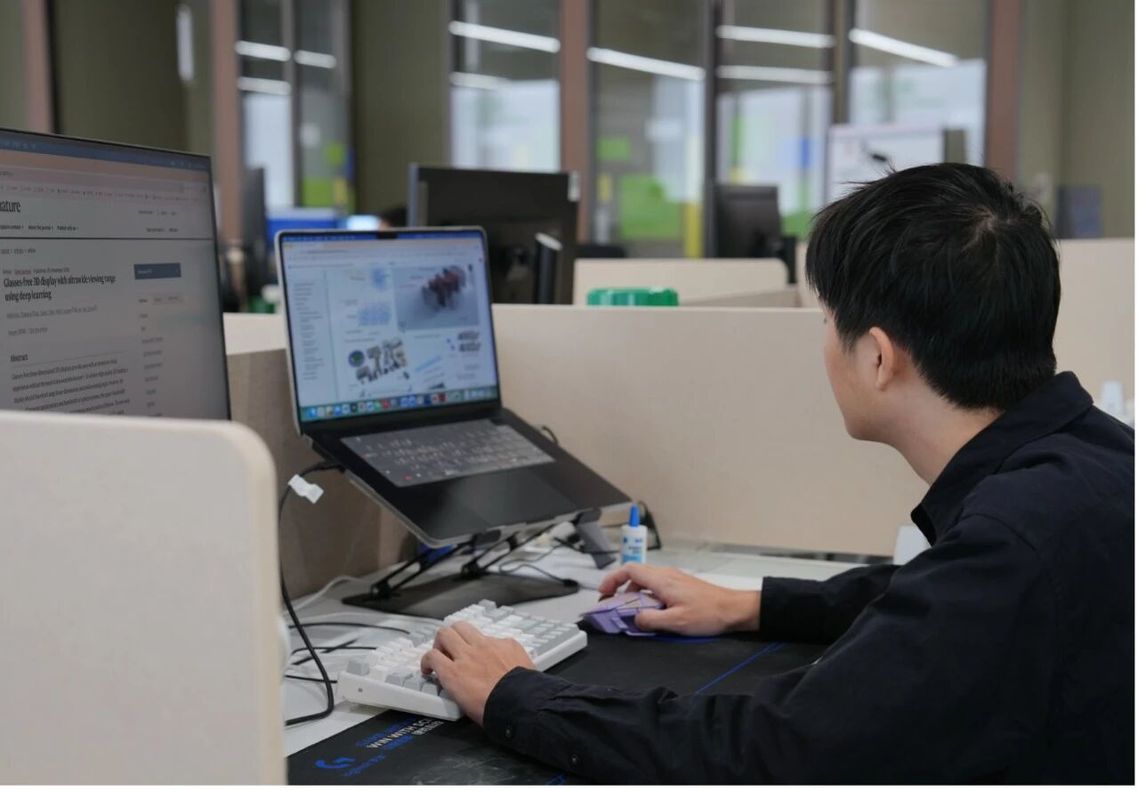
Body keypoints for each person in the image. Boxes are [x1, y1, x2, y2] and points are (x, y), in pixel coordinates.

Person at [420, 164, 1135, 783]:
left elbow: (773, 750)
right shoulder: (1091, 462)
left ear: (878, 358)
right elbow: (943, 598)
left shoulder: (1015, 540)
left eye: (826, 320)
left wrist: (515, 695)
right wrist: (751, 604)